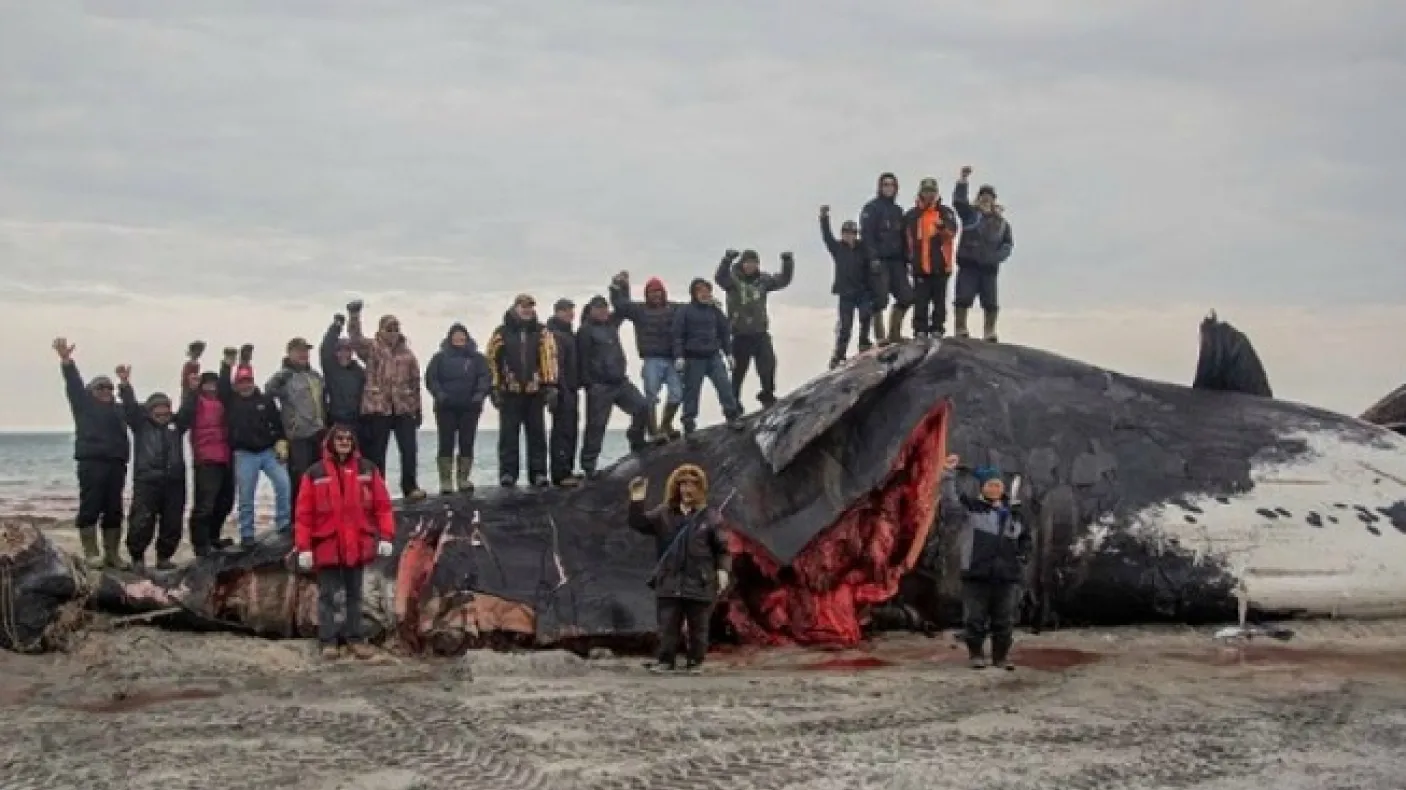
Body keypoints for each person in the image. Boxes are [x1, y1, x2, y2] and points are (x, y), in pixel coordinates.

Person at [293, 425, 395, 661]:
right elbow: (304, 514)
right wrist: (304, 548)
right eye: (339, 438)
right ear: (330, 442)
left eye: (349, 438)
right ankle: (328, 640)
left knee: (354, 594)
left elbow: (383, 506)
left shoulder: (367, 469)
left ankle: (355, 638)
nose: (344, 442)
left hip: (357, 544)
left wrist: (386, 535)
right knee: (328, 595)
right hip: (328, 543)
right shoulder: (314, 473)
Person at [627, 464, 732, 674]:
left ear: (701, 488)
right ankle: (666, 661)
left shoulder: (710, 517)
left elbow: (722, 549)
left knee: (699, 627)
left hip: (700, 581)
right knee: (667, 625)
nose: (687, 489)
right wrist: (636, 500)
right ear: (675, 487)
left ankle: (695, 662)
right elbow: (639, 524)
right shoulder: (663, 514)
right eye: (683, 483)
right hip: (670, 580)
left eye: (693, 484)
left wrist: (722, 571)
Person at [939, 454, 1031, 670]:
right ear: (982, 487)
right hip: (977, 574)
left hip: (1006, 576)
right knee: (975, 618)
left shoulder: (1014, 514)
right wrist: (948, 475)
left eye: (998, 484)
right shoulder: (971, 509)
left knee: (1004, 620)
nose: (994, 488)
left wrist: (1023, 555)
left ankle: (1001, 657)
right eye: (990, 484)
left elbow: (1025, 538)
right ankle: (976, 655)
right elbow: (950, 503)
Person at [53, 337, 130, 570]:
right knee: (91, 506)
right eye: (101, 387)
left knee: (114, 509)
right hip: (91, 462)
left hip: (116, 463)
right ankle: (91, 552)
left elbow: (135, 409)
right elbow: (74, 385)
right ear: (91, 391)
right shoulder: (84, 405)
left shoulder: (118, 410)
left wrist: (125, 384)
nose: (106, 391)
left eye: (109, 388)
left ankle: (113, 554)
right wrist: (67, 361)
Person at [346, 300, 425, 500]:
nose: (393, 332)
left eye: (396, 328)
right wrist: (354, 315)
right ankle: (377, 489)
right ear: (381, 330)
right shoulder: (371, 348)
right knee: (377, 452)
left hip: (403, 408)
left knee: (409, 450)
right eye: (389, 328)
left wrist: (418, 410)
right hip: (378, 407)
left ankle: (410, 486)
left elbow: (416, 383)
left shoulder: (408, 354)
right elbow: (354, 338)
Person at [116, 366, 193, 570]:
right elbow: (130, 406)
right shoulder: (140, 425)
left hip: (175, 481)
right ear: (150, 411)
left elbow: (188, 409)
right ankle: (138, 557)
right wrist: (124, 384)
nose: (163, 414)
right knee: (141, 521)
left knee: (172, 522)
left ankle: (164, 557)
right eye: (158, 411)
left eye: (166, 410)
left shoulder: (177, 424)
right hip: (147, 481)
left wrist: (192, 389)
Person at [485, 294, 560, 488]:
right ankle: (508, 473)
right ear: (515, 307)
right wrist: (494, 387)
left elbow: (549, 357)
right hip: (510, 390)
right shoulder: (501, 332)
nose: (527, 310)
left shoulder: (542, 331)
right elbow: (491, 359)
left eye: (530, 306)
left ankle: (539, 473)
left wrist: (550, 385)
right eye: (523, 306)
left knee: (537, 434)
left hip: (535, 391)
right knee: (508, 435)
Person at [219, 346, 291, 548]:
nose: (245, 385)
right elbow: (223, 383)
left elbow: (277, 424)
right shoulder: (230, 400)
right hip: (244, 454)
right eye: (241, 382)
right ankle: (247, 534)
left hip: (268, 452)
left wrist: (282, 442)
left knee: (283, 484)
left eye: (248, 381)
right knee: (246, 495)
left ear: (253, 381)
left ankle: (284, 524)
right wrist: (227, 363)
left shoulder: (265, 400)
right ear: (236, 384)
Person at [577, 295, 650, 477]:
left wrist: (619, 288)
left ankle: (636, 440)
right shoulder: (585, 331)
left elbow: (623, 307)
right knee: (596, 426)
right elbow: (582, 359)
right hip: (599, 386)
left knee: (642, 407)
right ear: (591, 310)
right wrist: (589, 383)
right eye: (598, 308)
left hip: (620, 381)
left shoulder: (611, 326)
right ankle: (589, 465)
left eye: (605, 308)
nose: (603, 311)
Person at [713, 248, 794, 409]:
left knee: (768, 364)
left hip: (760, 333)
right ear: (742, 264)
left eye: (754, 263)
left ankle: (767, 395)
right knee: (738, 372)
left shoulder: (763, 280)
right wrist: (726, 260)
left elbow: (783, 280)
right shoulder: (733, 280)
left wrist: (787, 262)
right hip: (739, 334)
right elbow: (720, 278)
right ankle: (733, 403)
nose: (750, 266)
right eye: (747, 263)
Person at [609, 272, 680, 442]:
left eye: (658, 292)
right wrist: (618, 287)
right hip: (651, 359)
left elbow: (694, 309)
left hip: (672, 359)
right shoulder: (640, 310)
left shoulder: (675, 308)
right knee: (651, 396)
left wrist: (711, 304)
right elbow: (621, 305)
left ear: (663, 293)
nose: (656, 295)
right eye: (652, 292)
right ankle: (654, 432)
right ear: (647, 294)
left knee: (677, 393)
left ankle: (666, 425)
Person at [424, 322, 491, 495]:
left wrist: (479, 395)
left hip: (470, 407)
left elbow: (485, 378)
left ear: (467, 338)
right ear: (450, 338)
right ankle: (445, 481)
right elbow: (431, 379)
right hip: (446, 407)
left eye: (462, 336)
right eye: (456, 336)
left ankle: (463, 479)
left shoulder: (478, 359)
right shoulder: (439, 358)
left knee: (466, 442)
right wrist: (440, 395)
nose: (459, 339)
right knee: (446, 442)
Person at [264, 338, 327, 521]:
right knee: (300, 478)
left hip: (318, 433)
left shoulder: (315, 376)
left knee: (319, 477)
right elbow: (268, 391)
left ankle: (317, 515)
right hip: (297, 435)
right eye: (299, 351)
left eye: (306, 351)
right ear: (289, 353)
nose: (303, 354)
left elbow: (323, 401)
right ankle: (297, 519)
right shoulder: (285, 376)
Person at [672, 278, 743, 436]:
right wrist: (679, 356)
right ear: (693, 293)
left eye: (707, 290)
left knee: (725, 386)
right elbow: (677, 335)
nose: (704, 293)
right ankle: (689, 425)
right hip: (693, 358)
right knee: (691, 393)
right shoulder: (684, 311)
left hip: (713, 356)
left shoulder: (715, 311)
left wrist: (729, 354)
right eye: (700, 290)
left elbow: (724, 333)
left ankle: (732, 416)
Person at [952, 166, 1015, 342]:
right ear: (978, 198)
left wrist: (997, 257)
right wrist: (963, 180)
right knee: (963, 298)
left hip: (989, 268)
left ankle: (989, 331)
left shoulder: (1001, 223)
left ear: (994, 201)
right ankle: (960, 327)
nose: (986, 200)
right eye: (983, 196)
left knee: (990, 303)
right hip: (969, 265)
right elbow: (958, 201)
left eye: (989, 197)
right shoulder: (970, 215)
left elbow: (1008, 244)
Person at [182, 358, 234, 558]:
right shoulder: (196, 401)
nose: (211, 387)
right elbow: (187, 390)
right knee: (205, 505)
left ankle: (213, 537)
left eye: (214, 383)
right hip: (206, 459)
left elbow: (229, 385)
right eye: (207, 383)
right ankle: (200, 545)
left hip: (225, 457)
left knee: (225, 502)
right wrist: (192, 365)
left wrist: (228, 365)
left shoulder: (224, 402)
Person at [904, 177, 961, 339]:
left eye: (932, 191)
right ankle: (920, 330)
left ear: (936, 193)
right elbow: (907, 239)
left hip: (941, 266)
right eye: (926, 191)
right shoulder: (911, 215)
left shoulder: (945, 212)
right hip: (919, 267)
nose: (929, 195)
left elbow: (951, 234)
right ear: (920, 192)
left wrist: (942, 228)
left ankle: (937, 328)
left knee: (939, 301)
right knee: (920, 302)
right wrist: (910, 259)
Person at [819, 205, 874, 368]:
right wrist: (824, 218)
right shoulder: (837, 248)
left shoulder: (863, 249)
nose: (849, 236)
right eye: (846, 233)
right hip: (845, 294)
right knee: (845, 326)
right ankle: (839, 354)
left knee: (866, 315)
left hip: (862, 291)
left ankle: (864, 342)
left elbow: (871, 258)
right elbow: (827, 236)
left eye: (852, 233)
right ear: (842, 234)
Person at [860, 171, 910, 345]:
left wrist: (907, 260)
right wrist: (872, 258)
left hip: (897, 261)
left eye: (892, 185)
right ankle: (880, 337)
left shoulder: (898, 211)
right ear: (880, 187)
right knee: (880, 299)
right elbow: (867, 235)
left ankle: (894, 333)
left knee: (906, 297)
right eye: (885, 184)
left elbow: (904, 238)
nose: (889, 188)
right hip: (879, 260)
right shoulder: (871, 208)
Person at [545, 298, 584, 487]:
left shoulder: (569, 334)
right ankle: (560, 473)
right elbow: (554, 364)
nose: (570, 314)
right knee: (562, 431)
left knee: (571, 430)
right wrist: (558, 388)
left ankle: (567, 469)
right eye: (566, 310)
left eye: (571, 310)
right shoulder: (554, 335)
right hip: (561, 389)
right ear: (557, 312)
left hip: (571, 388)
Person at [319, 313, 367, 433]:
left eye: (348, 350)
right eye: (340, 350)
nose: (344, 354)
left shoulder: (359, 371)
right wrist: (336, 326)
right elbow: (326, 348)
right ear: (335, 353)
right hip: (335, 420)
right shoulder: (331, 369)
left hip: (356, 421)